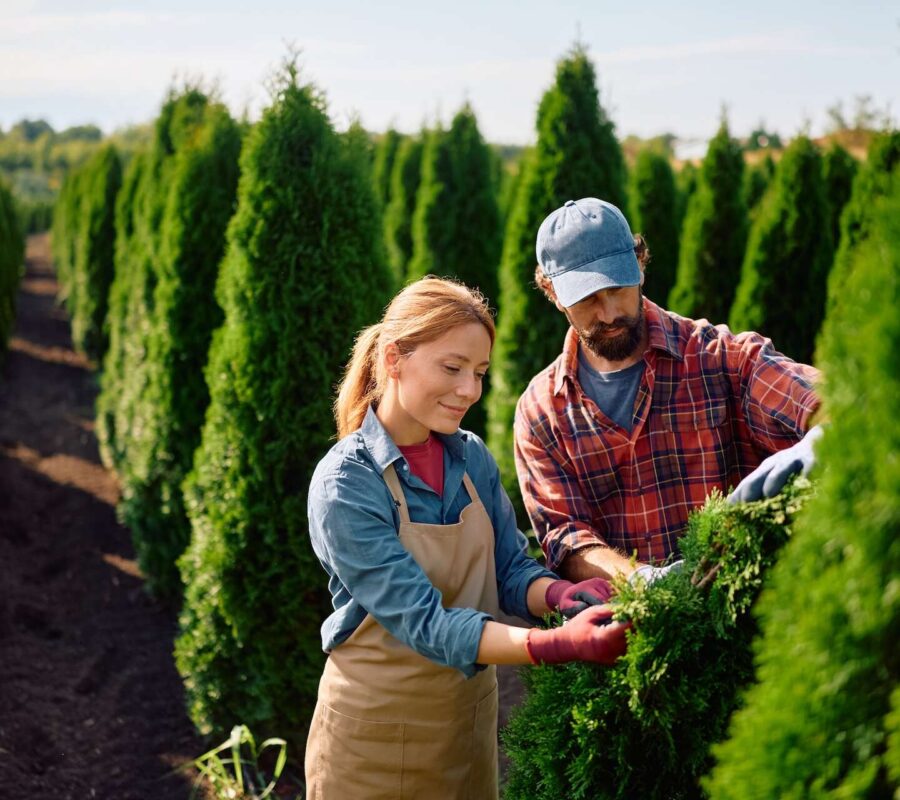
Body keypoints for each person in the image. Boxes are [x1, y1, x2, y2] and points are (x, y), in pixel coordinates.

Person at [304, 277, 631, 799]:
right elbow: (424, 621)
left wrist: (559, 595)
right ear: (393, 359)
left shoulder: (469, 456)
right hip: (374, 741)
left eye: (479, 373)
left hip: (466, 725)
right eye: (452, 368)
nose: (469, 391)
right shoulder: (347, 483)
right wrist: (555, 645)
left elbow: (509, 568)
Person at [514, 197, 823, 585]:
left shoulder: (722, 357)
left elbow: (815, 399)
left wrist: (825, 433)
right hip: (634, 625)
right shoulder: (542, 410)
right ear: (552, 292)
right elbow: (567, 538)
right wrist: (645, 580)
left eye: (618, 287)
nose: (609, 313)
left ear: (640, 266)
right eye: (588, 298)